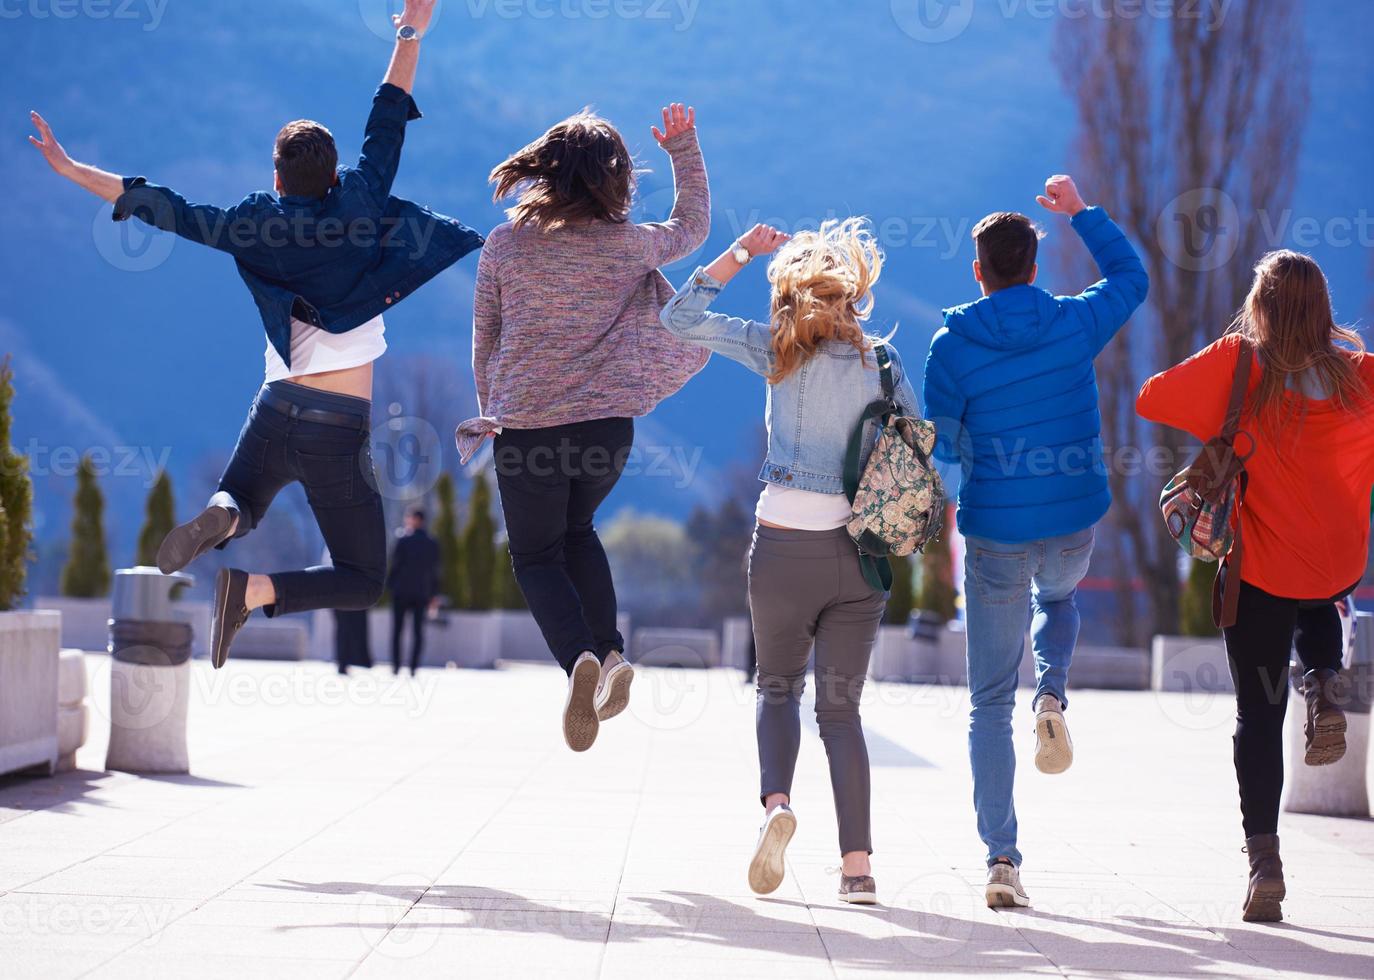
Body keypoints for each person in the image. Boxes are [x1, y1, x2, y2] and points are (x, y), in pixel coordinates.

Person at [27, 0, 481, 670]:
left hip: (276, 406)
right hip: (338, 422)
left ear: (276, 176)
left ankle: (223, 514)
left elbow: (165, 208)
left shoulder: (250, 224)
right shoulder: (358, 199)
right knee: (360, 576)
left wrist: (73, 171)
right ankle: (255, 587)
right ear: (330, 174)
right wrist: (409, 32)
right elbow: (387, 115)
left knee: (240, 497)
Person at [662, 218, 919, 907]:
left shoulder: (773, 349)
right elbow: (918, 448)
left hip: (780, 547)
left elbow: (678, 317)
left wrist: (744, 251)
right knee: (842, 714)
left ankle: (777, 804)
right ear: (851, 298)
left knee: (778, 689)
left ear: (791, 297)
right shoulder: (883, 364)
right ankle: (858, 868)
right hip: (855, 557)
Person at [922, 175, 1149, 908]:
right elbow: (1133, 277)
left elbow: (946, 457)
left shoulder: (950, 347)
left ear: (980, 271)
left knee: (988, 700)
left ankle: (1003, 861)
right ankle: (1052, 692)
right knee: (1060, 597)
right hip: (1073, 521)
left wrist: (963, 511)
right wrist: (1082, 211)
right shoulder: (1074, 323)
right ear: (1035, 265)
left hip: (994, 534)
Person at [457, 104, 711, 752]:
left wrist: (493, 408)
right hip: (606, 434)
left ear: (547, 169)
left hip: (529, 430)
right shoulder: (630, 245)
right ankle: (614, 654)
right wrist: (683, 148)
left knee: (536, 555)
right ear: (616, 178)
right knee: (578, 531)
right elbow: (693, 226)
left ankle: (580, 661)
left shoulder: (506, 245)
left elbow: (485, 339)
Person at [1137, 250, 1374, 923]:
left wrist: (1231, 361)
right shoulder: (1363, 378)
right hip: (1334, 563)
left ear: (1262, 307)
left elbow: (1149, 395)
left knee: (1257, 718)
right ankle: (1324, 679)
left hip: (1262, 571)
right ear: (1324, 309)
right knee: (1323, 594)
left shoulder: (1242, 365)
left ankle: (1264, 864)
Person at [387, 508, 440, 675]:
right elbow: (436, 571)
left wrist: (389, 586)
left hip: (401, 592)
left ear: (414, 520)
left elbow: (394, 566)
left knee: (397, 631)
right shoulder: (432, 543)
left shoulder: (403, 540)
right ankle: (413, 667)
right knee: (418, 632)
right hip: (421, 593)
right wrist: (434, 594)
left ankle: (396, 666)